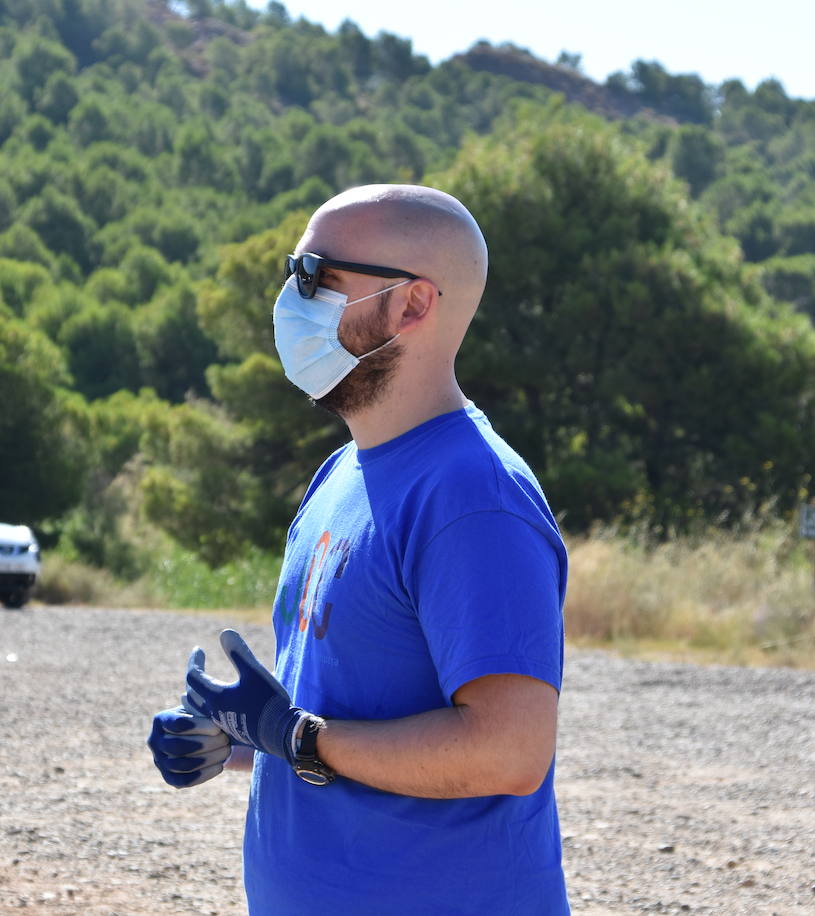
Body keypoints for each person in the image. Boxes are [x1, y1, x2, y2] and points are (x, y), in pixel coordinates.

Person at [147, 184, 570, 914]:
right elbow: (350, 722)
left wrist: (300, 737)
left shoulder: (473, 496)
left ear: (412, 305)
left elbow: (508, 753)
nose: (290, 298)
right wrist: (242, 739)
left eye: (315, 276)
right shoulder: (343, 472)